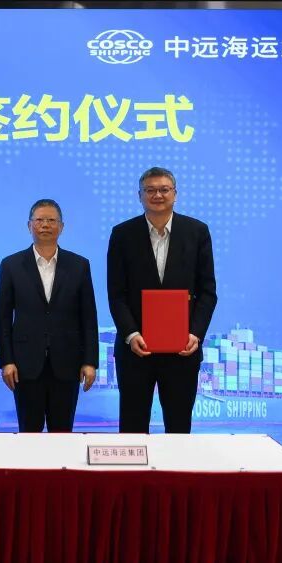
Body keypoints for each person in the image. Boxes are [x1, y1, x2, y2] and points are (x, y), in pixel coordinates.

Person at [107, 166, 217, 434]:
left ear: (175, 194)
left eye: (164, 189)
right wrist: (131, 334)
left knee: (179, 429)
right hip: (135, 351)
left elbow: (207, 291)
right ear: (140, 195)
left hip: (182, 350)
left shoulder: (197, 232)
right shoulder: (122, 234)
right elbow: (116, 293)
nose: (157, 195)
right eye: (150, 190)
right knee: (132, 429)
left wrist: (195, 334)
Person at [0, 198, 98, 433]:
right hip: (25, 364)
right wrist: (6, 361)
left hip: (67, 363)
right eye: (39, 220)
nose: (45, 225)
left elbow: (89, 318)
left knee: (62, 432)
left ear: (61, 227)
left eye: (51, 220)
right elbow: (2, 319)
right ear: (29, 225)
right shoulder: (11, 265)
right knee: (29, 432)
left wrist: (90, 361)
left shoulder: (79, 265)